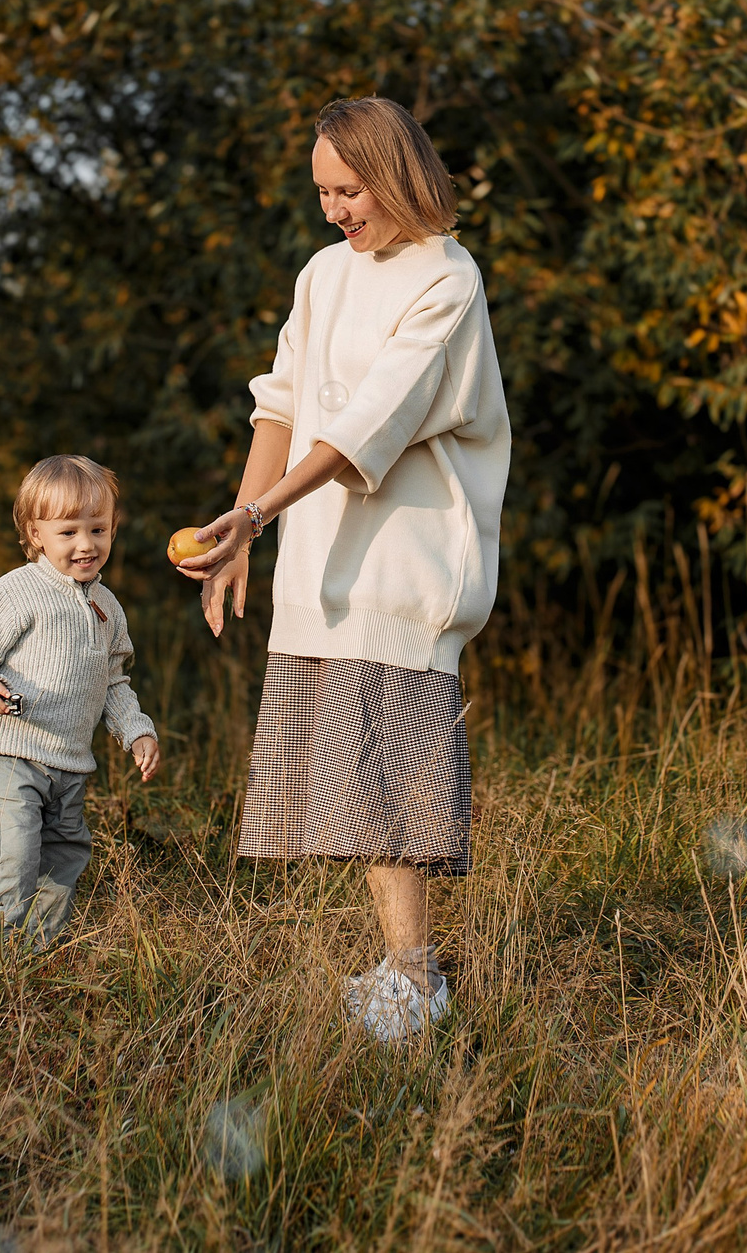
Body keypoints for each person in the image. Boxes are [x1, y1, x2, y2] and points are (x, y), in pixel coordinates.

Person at [178, 96, 511, 1042]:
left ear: (396, 175)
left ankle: (417, 985)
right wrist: (241, 526)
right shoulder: (324, 273)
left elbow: (372, 420)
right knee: (361, 790)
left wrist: (255, 511)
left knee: (387, 789)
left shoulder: (447, 278)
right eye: (322, 192)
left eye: (348, 189)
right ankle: (407, 976)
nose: (333, 209)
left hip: (403, 568)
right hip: (323, 562)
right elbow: (280, 404)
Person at [0, 454, 163, 952]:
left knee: (64, 853)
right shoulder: (19, 590)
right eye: (68, 532)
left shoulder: (108, 607)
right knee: (16, 851)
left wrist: (136, 730)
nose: (86, 545)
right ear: (36, 532)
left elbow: (114, 681)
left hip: (69, 763)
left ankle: (37, 947)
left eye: (98, 529)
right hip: (12, 752)